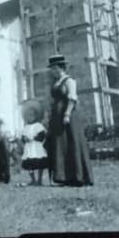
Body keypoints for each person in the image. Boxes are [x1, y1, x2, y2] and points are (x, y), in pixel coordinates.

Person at [46, 54, 94, 187]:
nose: (53, 71)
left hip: (69, 116)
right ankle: (63, 177)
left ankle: (77, 176)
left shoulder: (69, 81)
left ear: (60, 68)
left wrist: (66, 114)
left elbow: (72, 98)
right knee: (61, 144)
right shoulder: (55, 82)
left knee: (72, 142)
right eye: (52, 69)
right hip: (57, 117)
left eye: (54, 68)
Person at [21, 100, 48, 186]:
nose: (31, 117)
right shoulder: (26, 127)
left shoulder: (38, 126)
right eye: (29, 116)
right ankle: (33, 179)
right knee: (30, 164)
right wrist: (25, 138)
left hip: (37, 147)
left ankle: (39, 180)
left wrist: (34, 138)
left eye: (33, 115)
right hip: (29, 148)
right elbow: (22, 137)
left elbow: (42, 135)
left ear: (36, 116)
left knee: (40, 163)